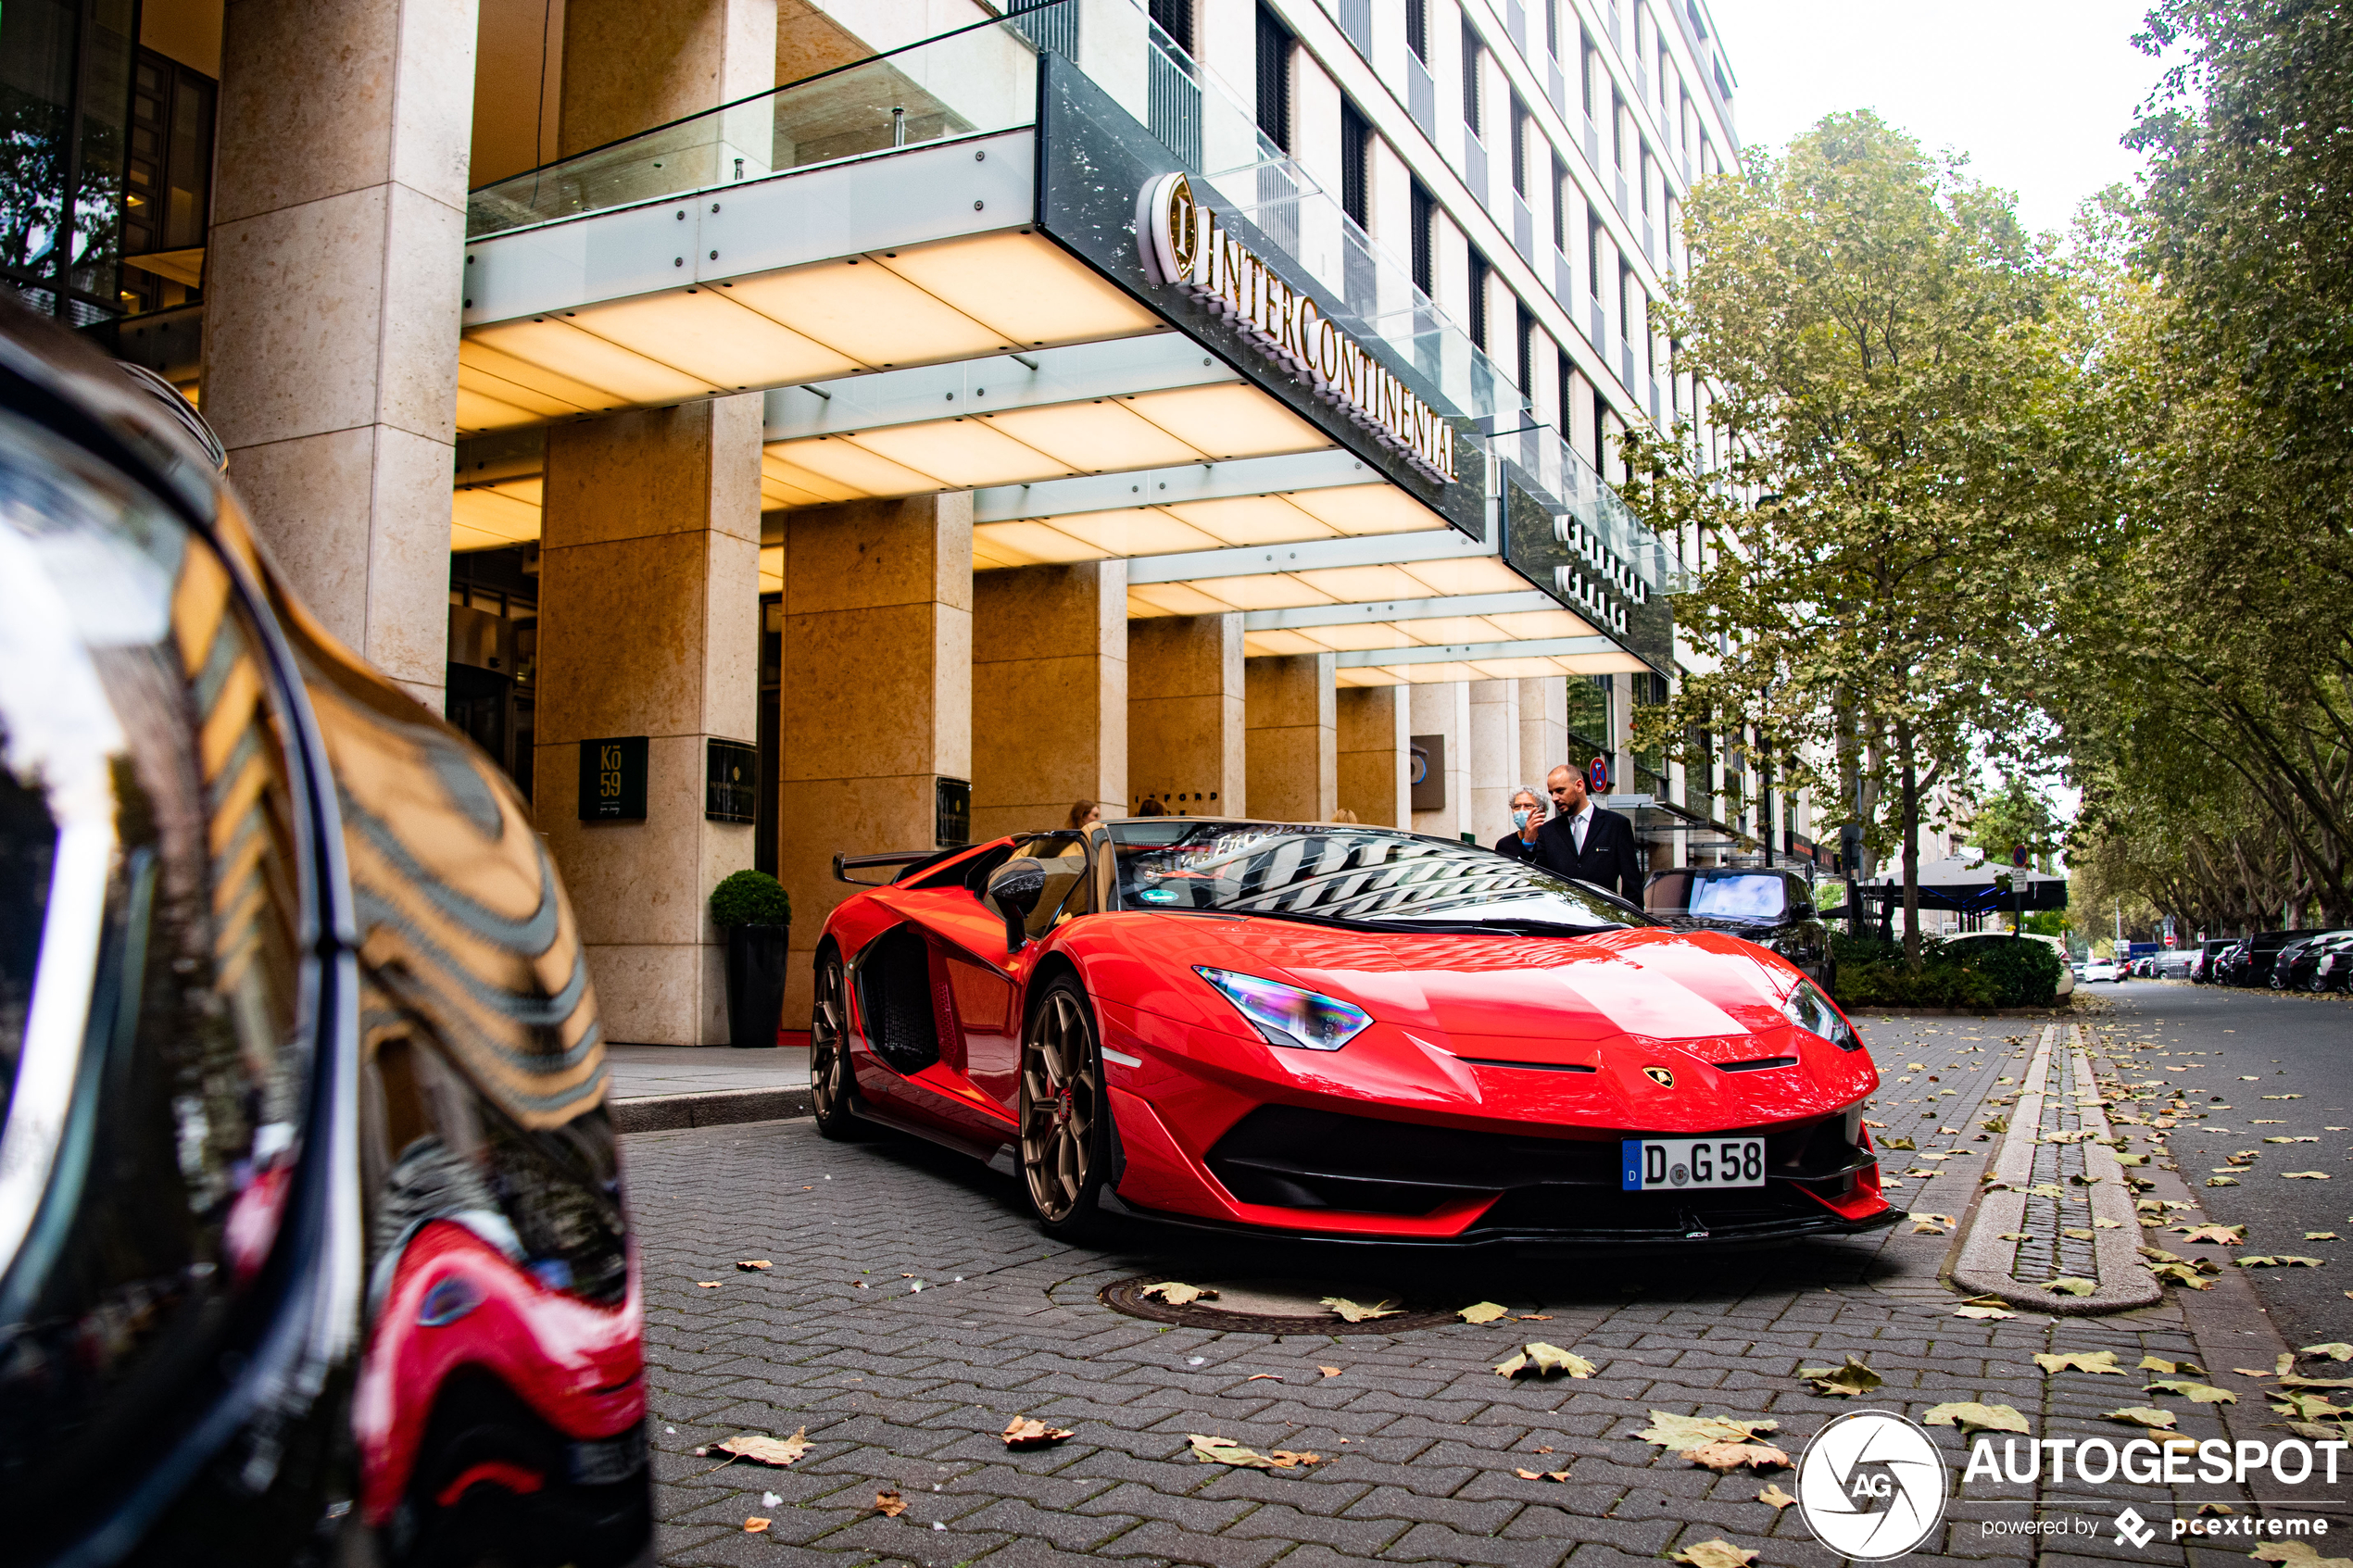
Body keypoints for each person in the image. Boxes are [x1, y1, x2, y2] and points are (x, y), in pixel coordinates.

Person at [1529, 763, 1643, 900]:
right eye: (1551, 793)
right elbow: (1539, 881)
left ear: (1579, 786)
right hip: (1562, 918)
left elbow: (1632, 883)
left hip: (1605, 918)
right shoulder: (1547, 831)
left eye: (1560, 791)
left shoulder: (1616, 825)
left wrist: (1631, 920)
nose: (1554, 798)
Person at [1493, 785, 1546, 860]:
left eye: (1528, 806)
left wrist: (1529, 845)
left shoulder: (1550, 840)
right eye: (1517, 806)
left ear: (1541, 810)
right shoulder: (1504, 844)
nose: (1521, 811)